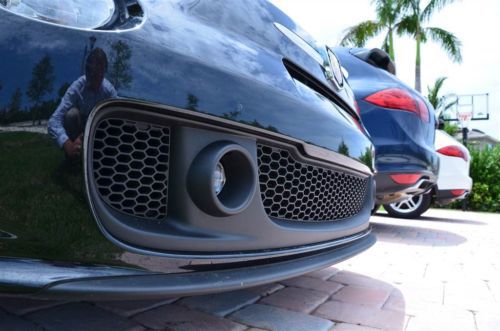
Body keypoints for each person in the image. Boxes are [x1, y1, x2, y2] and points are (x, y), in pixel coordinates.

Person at [48, 47, 117, 158]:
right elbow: (54, 120)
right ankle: (72, 155)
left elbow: (117, 120)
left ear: (104, 72)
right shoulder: (77, 86)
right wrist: (67, 144)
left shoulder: (109, 92)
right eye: (90, 70)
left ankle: (100, 156)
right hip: (78, 130)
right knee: (71, 114)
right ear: (86, 70)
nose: (93, 75)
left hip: (98, 130)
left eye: (98, 71)